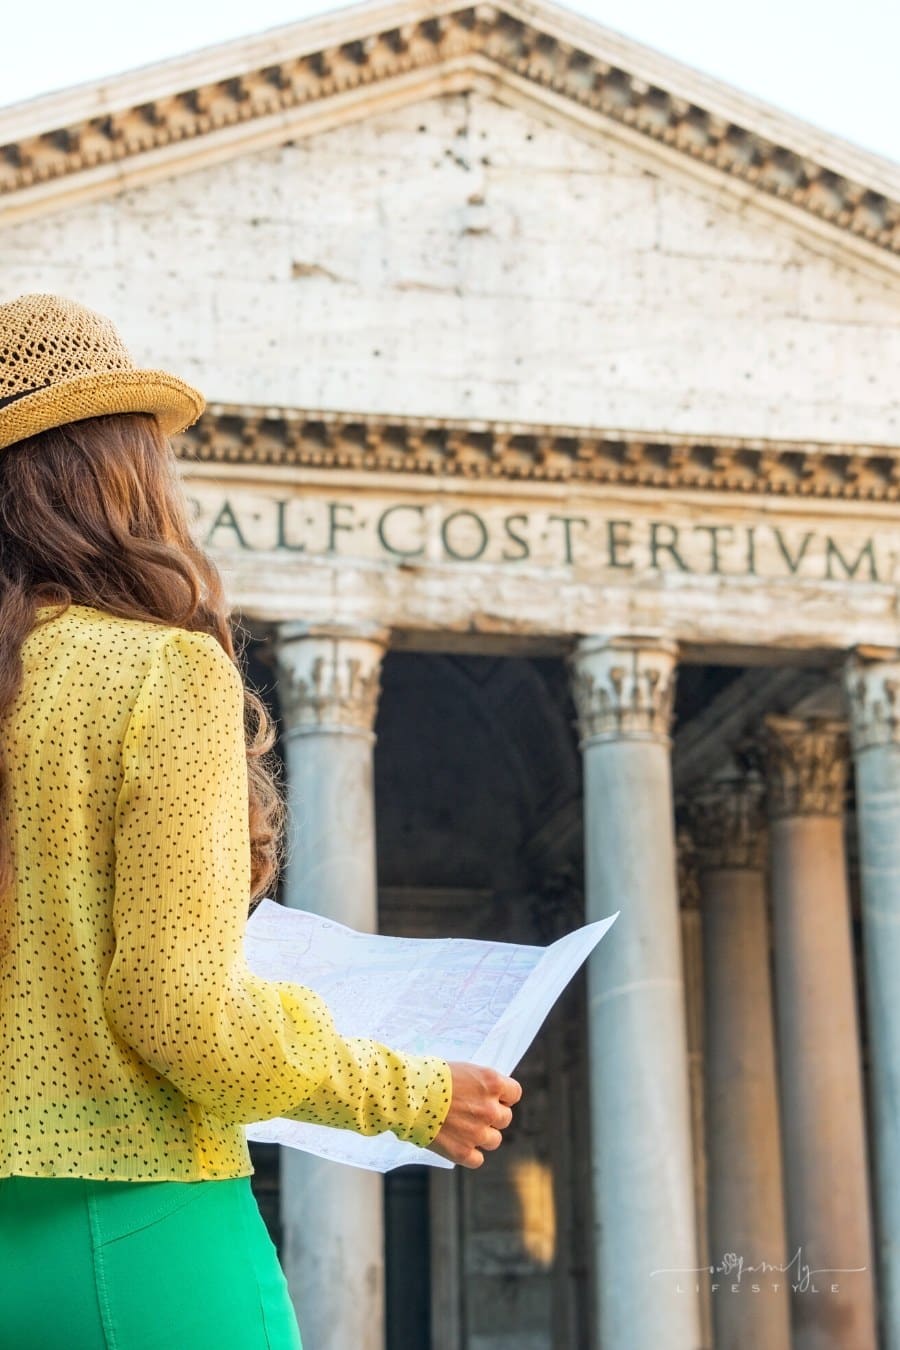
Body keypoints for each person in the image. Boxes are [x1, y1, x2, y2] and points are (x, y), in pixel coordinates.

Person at [0, 293, 522, 1349]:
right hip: (137, 1231)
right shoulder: (157, 671)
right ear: (121, 469)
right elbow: (175, 1008)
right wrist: (413, 1095)